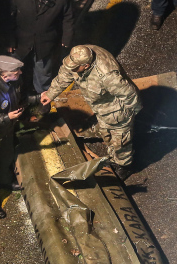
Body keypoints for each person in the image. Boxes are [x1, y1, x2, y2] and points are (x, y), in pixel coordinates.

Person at [42, 45, 141, 180]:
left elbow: (130, 95)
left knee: (121, 142)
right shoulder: (78, 56)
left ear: (86, 66)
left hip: (117, 110)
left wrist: (130, 115)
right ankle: (113, 156)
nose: (72, 69)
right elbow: (64, 75)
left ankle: (125, 166)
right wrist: (50, 94)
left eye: (75, 68)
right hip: (100, 107)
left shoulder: (108, 76)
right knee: (107, 134)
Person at [0, 55, 49, 219]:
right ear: (5, 75)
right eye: (17, 71)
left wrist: (38, 97)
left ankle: (5, 181)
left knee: (7, 155)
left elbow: (20, 98)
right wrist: (7, 117)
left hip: (6, 126)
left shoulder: (13, 81)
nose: (20, 73)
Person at [8, 0, 74, 95]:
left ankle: (43, 96)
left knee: (43, 72)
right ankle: (12, 94)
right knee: (12, 68)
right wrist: (9, 39)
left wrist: (67, 36)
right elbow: (9, 16)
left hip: (45, 42)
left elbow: (68, 16)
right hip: (20, 41)